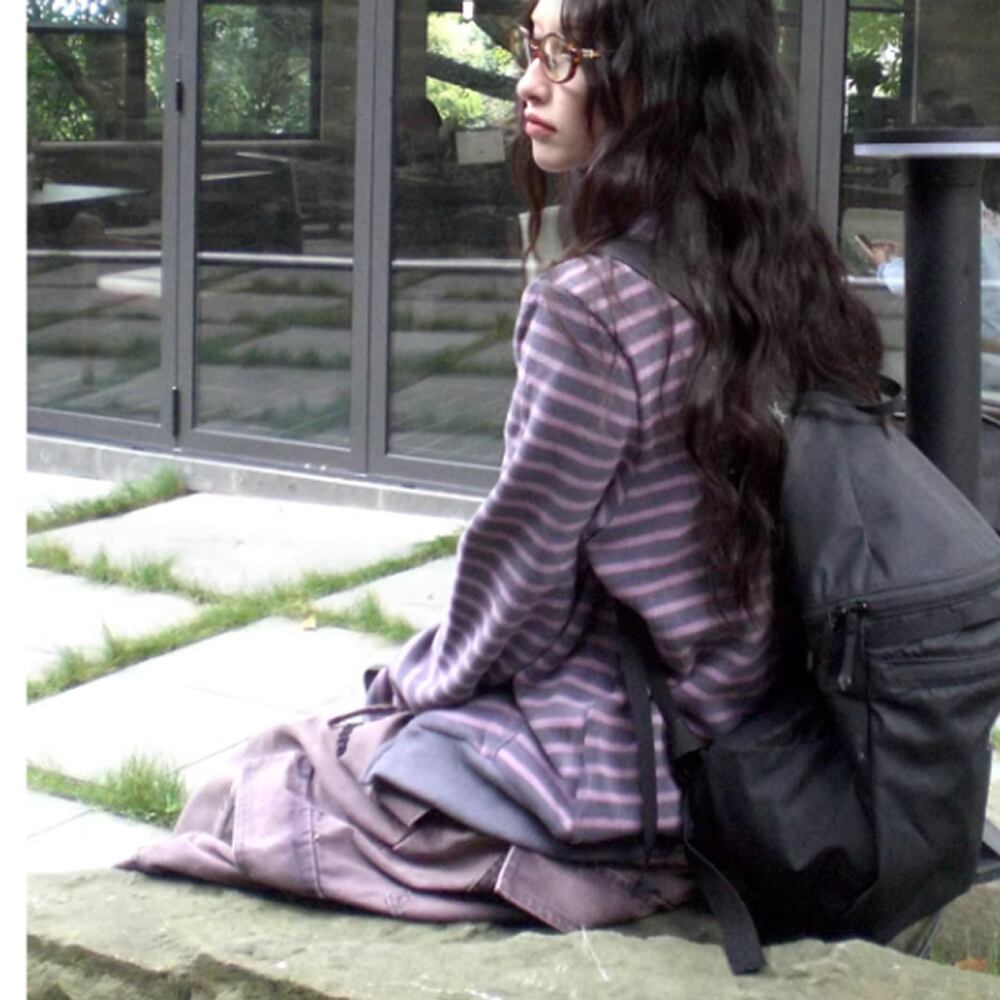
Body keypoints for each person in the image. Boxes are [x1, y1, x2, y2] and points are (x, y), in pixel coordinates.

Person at [123, 0, 884, 930]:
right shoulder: (783, 276)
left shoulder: (593, 307)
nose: (528, 81)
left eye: (567, 55)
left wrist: (408, 689)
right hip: (762, 737)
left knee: (264, 786)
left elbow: (519, 577)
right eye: (534, 47)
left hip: (627, 771)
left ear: (660, 77)